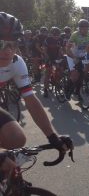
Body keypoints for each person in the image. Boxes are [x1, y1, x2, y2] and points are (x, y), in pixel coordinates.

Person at [0, 12, 72, 172]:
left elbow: (31, 101)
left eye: (12, 44)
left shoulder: (16, 63)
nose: (7, 51)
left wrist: (52, 137)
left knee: (16, 139)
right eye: (1, 44)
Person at [65, 19, 89, 100]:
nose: (86, 30)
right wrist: (74, 57)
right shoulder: (74, 35)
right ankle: (67, 90)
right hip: (72, 56)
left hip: (82, 56)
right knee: (75, 75)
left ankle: (77, 92)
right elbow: (67, 49)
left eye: (87, 28)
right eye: (84, 28)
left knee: (83, 74)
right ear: (79, 28)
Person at [43, 27, 64, 97]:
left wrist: (63, 56)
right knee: (48, 73)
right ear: (51, 34)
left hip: (57, 57)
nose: (56, 36)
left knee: (61, 71)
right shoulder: (48, 40)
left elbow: (61, 49)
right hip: (49, 56)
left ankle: (57, 83)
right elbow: (45, 51)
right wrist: (47, 58)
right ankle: (45, 89)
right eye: (54, 35)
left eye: (57, 35)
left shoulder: (60, 39)